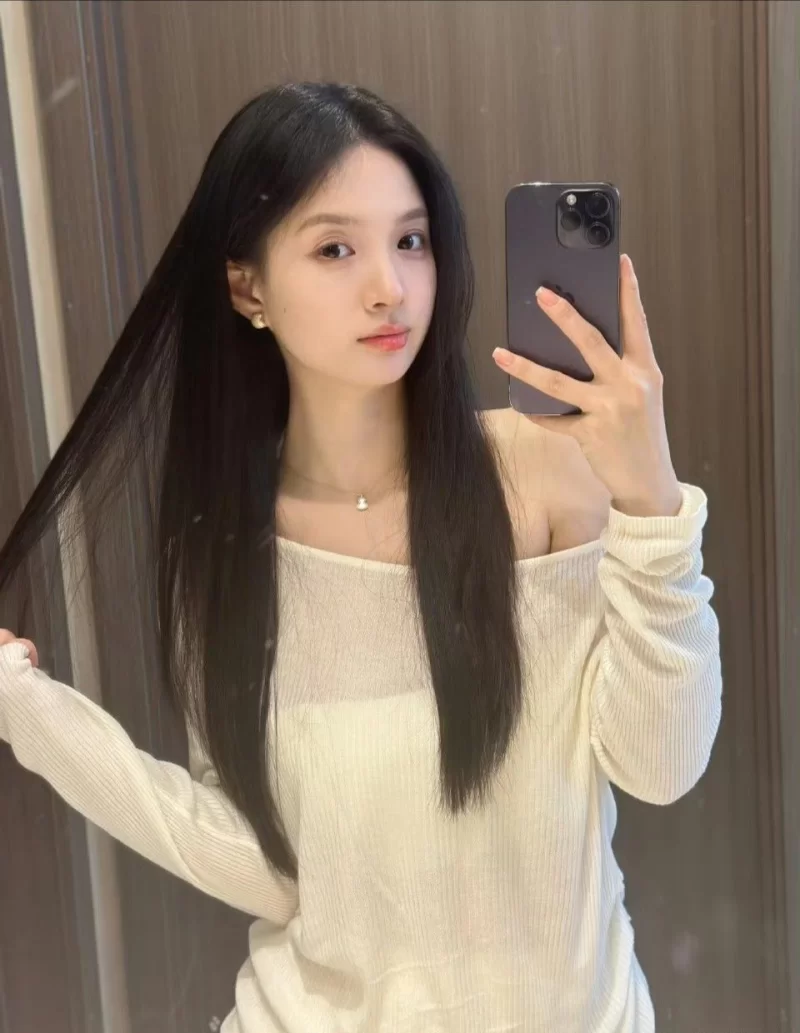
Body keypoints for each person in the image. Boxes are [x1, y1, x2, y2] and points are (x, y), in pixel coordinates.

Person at [0, 82, 722, 1033]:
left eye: (411, 240)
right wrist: (31, 714)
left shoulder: (547, 471)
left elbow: (662, 763)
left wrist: (652, 504)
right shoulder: (229, 544)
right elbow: (270, 862)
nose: (389, 286)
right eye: (336, 249)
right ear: (248, 287)